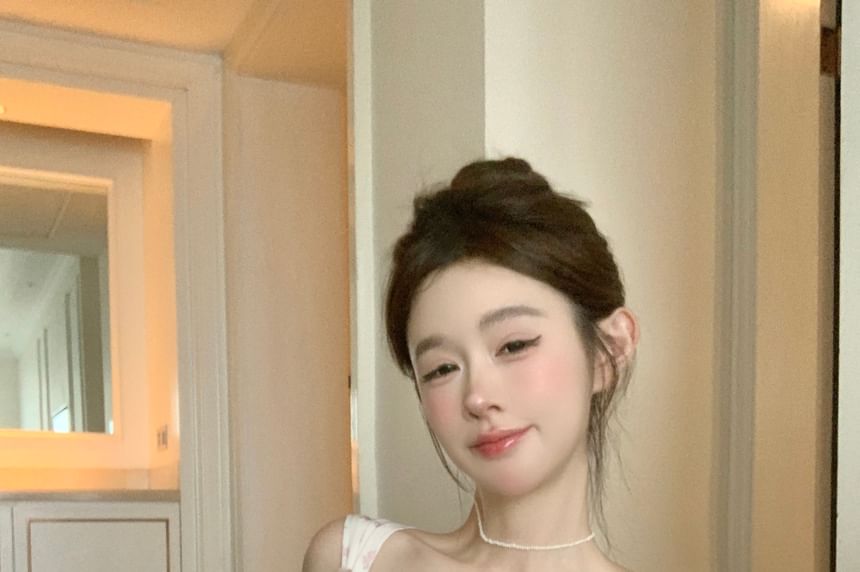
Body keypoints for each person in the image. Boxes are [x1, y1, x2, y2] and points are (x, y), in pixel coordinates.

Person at [303, 157, 639, 571]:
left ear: (610, 350)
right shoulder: (351, 559)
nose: (477, 397)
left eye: (513, 345)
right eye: (442, 369)